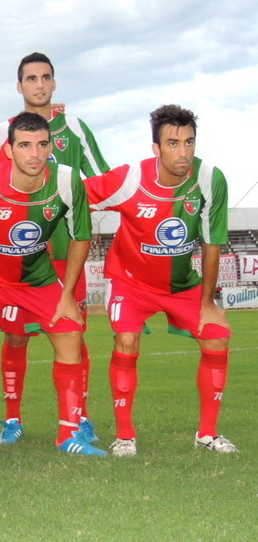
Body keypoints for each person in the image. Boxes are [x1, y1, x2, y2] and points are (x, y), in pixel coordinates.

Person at [0, 112, 107, 460]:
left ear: (50, 147)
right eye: (25, 145)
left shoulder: (66, 181)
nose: (34, 154)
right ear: (8, 150)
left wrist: (67, 296)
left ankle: (67, 434)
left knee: (70, 334)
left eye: (41, 145)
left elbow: (81, 236)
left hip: (38, 279)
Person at [84, 104, 236, 457]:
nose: (182, 152)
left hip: (182, 284)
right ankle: (125, 436)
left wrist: (208, 303)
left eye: (189, 142)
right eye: (172, 143)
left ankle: (207, 434)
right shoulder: (129, 179)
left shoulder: (211, 179)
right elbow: (76, 196)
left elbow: (212, 241)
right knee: (126, 341)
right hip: (130, 281)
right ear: (156, 148)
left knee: (217, 338)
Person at [0, 52, 109, 445]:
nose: (39, 85)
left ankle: (79, 420)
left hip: (64, 251)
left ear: (54, 83)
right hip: (17, 256)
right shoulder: (2, 132)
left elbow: (101, 182)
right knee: (16, 335)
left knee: (73, 331)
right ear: (19, 86)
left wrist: (62, 198)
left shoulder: (74, 128)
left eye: (45, 78)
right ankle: (11, 418)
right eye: (31, 79)